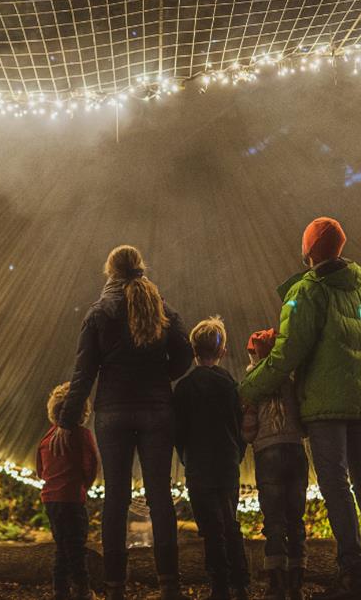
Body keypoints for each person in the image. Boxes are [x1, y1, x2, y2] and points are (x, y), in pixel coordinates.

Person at [239, 217, 361, 600]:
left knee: (336, 484)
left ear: (308, 251)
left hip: (327, 406)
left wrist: (247, 390)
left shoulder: (307, 292)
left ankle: (353, 575)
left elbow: (286, 354)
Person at [55, 245, 194, 600]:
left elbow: (84, 372)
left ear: (110, 271)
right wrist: (160, 376)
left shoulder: (99, 312)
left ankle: (115, 587)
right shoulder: (161, 307)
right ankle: (169, 585)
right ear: (140, 268)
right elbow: (185, 354)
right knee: (160, 496)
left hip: (113, 412)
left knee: (116, 498)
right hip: (157, 410)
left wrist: (67, 421)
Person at [171, 316, 250, 600]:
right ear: (223, 351)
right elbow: (240, 425)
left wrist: (186, 457)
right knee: (230, 521)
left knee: (210, 527)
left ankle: (219, 586)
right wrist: (237, 452)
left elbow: (178, 431)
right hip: (227, 462)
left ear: (193, 350)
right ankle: (241, 583)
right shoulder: (230, 384)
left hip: (199, 465)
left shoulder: (183, 388)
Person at [241, 328, 307, 600]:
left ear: (255, 356)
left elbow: (248, 430)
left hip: (268, 453)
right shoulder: (291, 381)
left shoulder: (252, 386)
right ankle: (296, 583)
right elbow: (304, 421)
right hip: (295, 451)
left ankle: (276, 584)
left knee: (274, 521)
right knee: (296, 519)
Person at [37, 382, 100, 600]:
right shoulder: (82, 435)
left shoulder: (46, 438)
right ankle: (83, 590)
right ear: (83, 411)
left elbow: (40, 470)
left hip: (50, 500)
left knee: (62, 545)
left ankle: (60, 590)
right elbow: (91, 465)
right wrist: (83, 485)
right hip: (72, 498)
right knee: (76, 546)